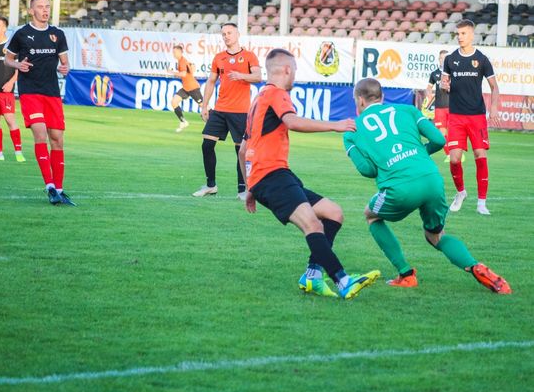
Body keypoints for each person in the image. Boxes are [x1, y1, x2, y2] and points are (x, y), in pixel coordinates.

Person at [343, 78, 510, 294]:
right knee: (435, 236)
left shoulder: (351, 131)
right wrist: (417, 153)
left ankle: (406, 275)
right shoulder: (407, 110)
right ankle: (475, 266)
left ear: (359, 100)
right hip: (431, 179)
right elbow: (440, 140)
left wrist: (385, 162)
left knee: (371, 215)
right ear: (382, 97)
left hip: (399, 188)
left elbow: (367, 170)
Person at [238, 49, 381, 299]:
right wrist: (334, 125)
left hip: (272, 176)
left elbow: (242, 149)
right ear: (287, 70)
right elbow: (292, 122)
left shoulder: (258, 99)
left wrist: (251, 186)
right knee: (312, 224)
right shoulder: (277, 94)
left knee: (333, 213)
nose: (295, 75)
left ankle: (312, 276)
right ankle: (343, 281)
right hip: (272, 176)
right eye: (295, 70)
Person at [5, 0, 74, 206]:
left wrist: (65, 68)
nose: (45, 10)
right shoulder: (21, 34)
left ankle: (59, 189)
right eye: (41, 7)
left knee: (57, 139)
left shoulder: (57, 34)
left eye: (47, 6)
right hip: (30, 92)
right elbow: (8, 59)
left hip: (52, 92)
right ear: (31, 11)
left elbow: (65, 63)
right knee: (41, 133)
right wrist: (18, 65)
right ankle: (50, 186)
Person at [193, 23, 261, 200]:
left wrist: (241, 76)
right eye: (223, 34)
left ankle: (242, 190)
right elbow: (211, 81)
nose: (226, 36)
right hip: (220, 109)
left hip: (241, 112)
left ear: (237, 34)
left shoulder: (249, 56)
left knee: (241, 151)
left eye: (229, 33)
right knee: (207, 145)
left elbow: (258, 76)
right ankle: (211, 186)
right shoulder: (219, 58)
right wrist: (204, 105)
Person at [441, 19, 499, 215]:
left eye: (463, 33)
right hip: (456, 116)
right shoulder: (450, 59)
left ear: (472, 35)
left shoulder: (482, 59)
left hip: (477, 117)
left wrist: (494, 107)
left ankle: (482, 203)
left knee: (480, 156)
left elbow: (494, 87)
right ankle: (461, 192)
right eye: (458, 34)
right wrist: (444, 86)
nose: (460, 37)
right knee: (454, 159)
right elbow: (444, 84)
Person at [0, 16, 25, 162]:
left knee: (10, 119)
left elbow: (19, 68)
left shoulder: (12, 47)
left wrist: (11, 82)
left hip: (5, 91)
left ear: (5, 28)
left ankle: (18, 151)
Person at [425, 49, 452, 162]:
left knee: (452, 132)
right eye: (441, 58)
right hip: (439, 107)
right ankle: (449, 154)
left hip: (452, 106)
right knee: (442, 132)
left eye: (445, 58)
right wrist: (429, 96)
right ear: (439, 59)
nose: (443, 60)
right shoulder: (434, 74)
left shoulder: (452, 73)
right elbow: (429, 87)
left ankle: (454, 153)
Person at [169, 45, 202, 133]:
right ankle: (183, 122)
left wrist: (172, 72)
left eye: (175, 52)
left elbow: (183, 74)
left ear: (180, 52)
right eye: (173, 52)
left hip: (193, 88)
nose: (173, 54)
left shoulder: (182, 61)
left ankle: (217, 122)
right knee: (174, 102)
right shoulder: (182, 61)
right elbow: (191, 68)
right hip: (186, 88)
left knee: (203, 106)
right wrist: (191, 66)